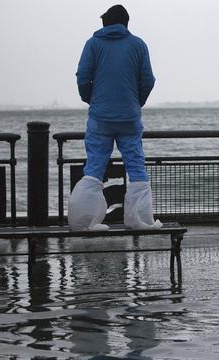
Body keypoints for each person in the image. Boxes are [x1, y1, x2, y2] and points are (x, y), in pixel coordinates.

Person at [68, 4, 161, 231]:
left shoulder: (93, 44)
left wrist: (92, 100)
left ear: (106, 23)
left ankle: (85, 221)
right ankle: (140, 220)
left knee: (95, 167)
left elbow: (82, 77)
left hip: (100, 117)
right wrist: (135, 102)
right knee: (136, 165)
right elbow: (148, 80)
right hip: (129, 117)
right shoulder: (138, 45)